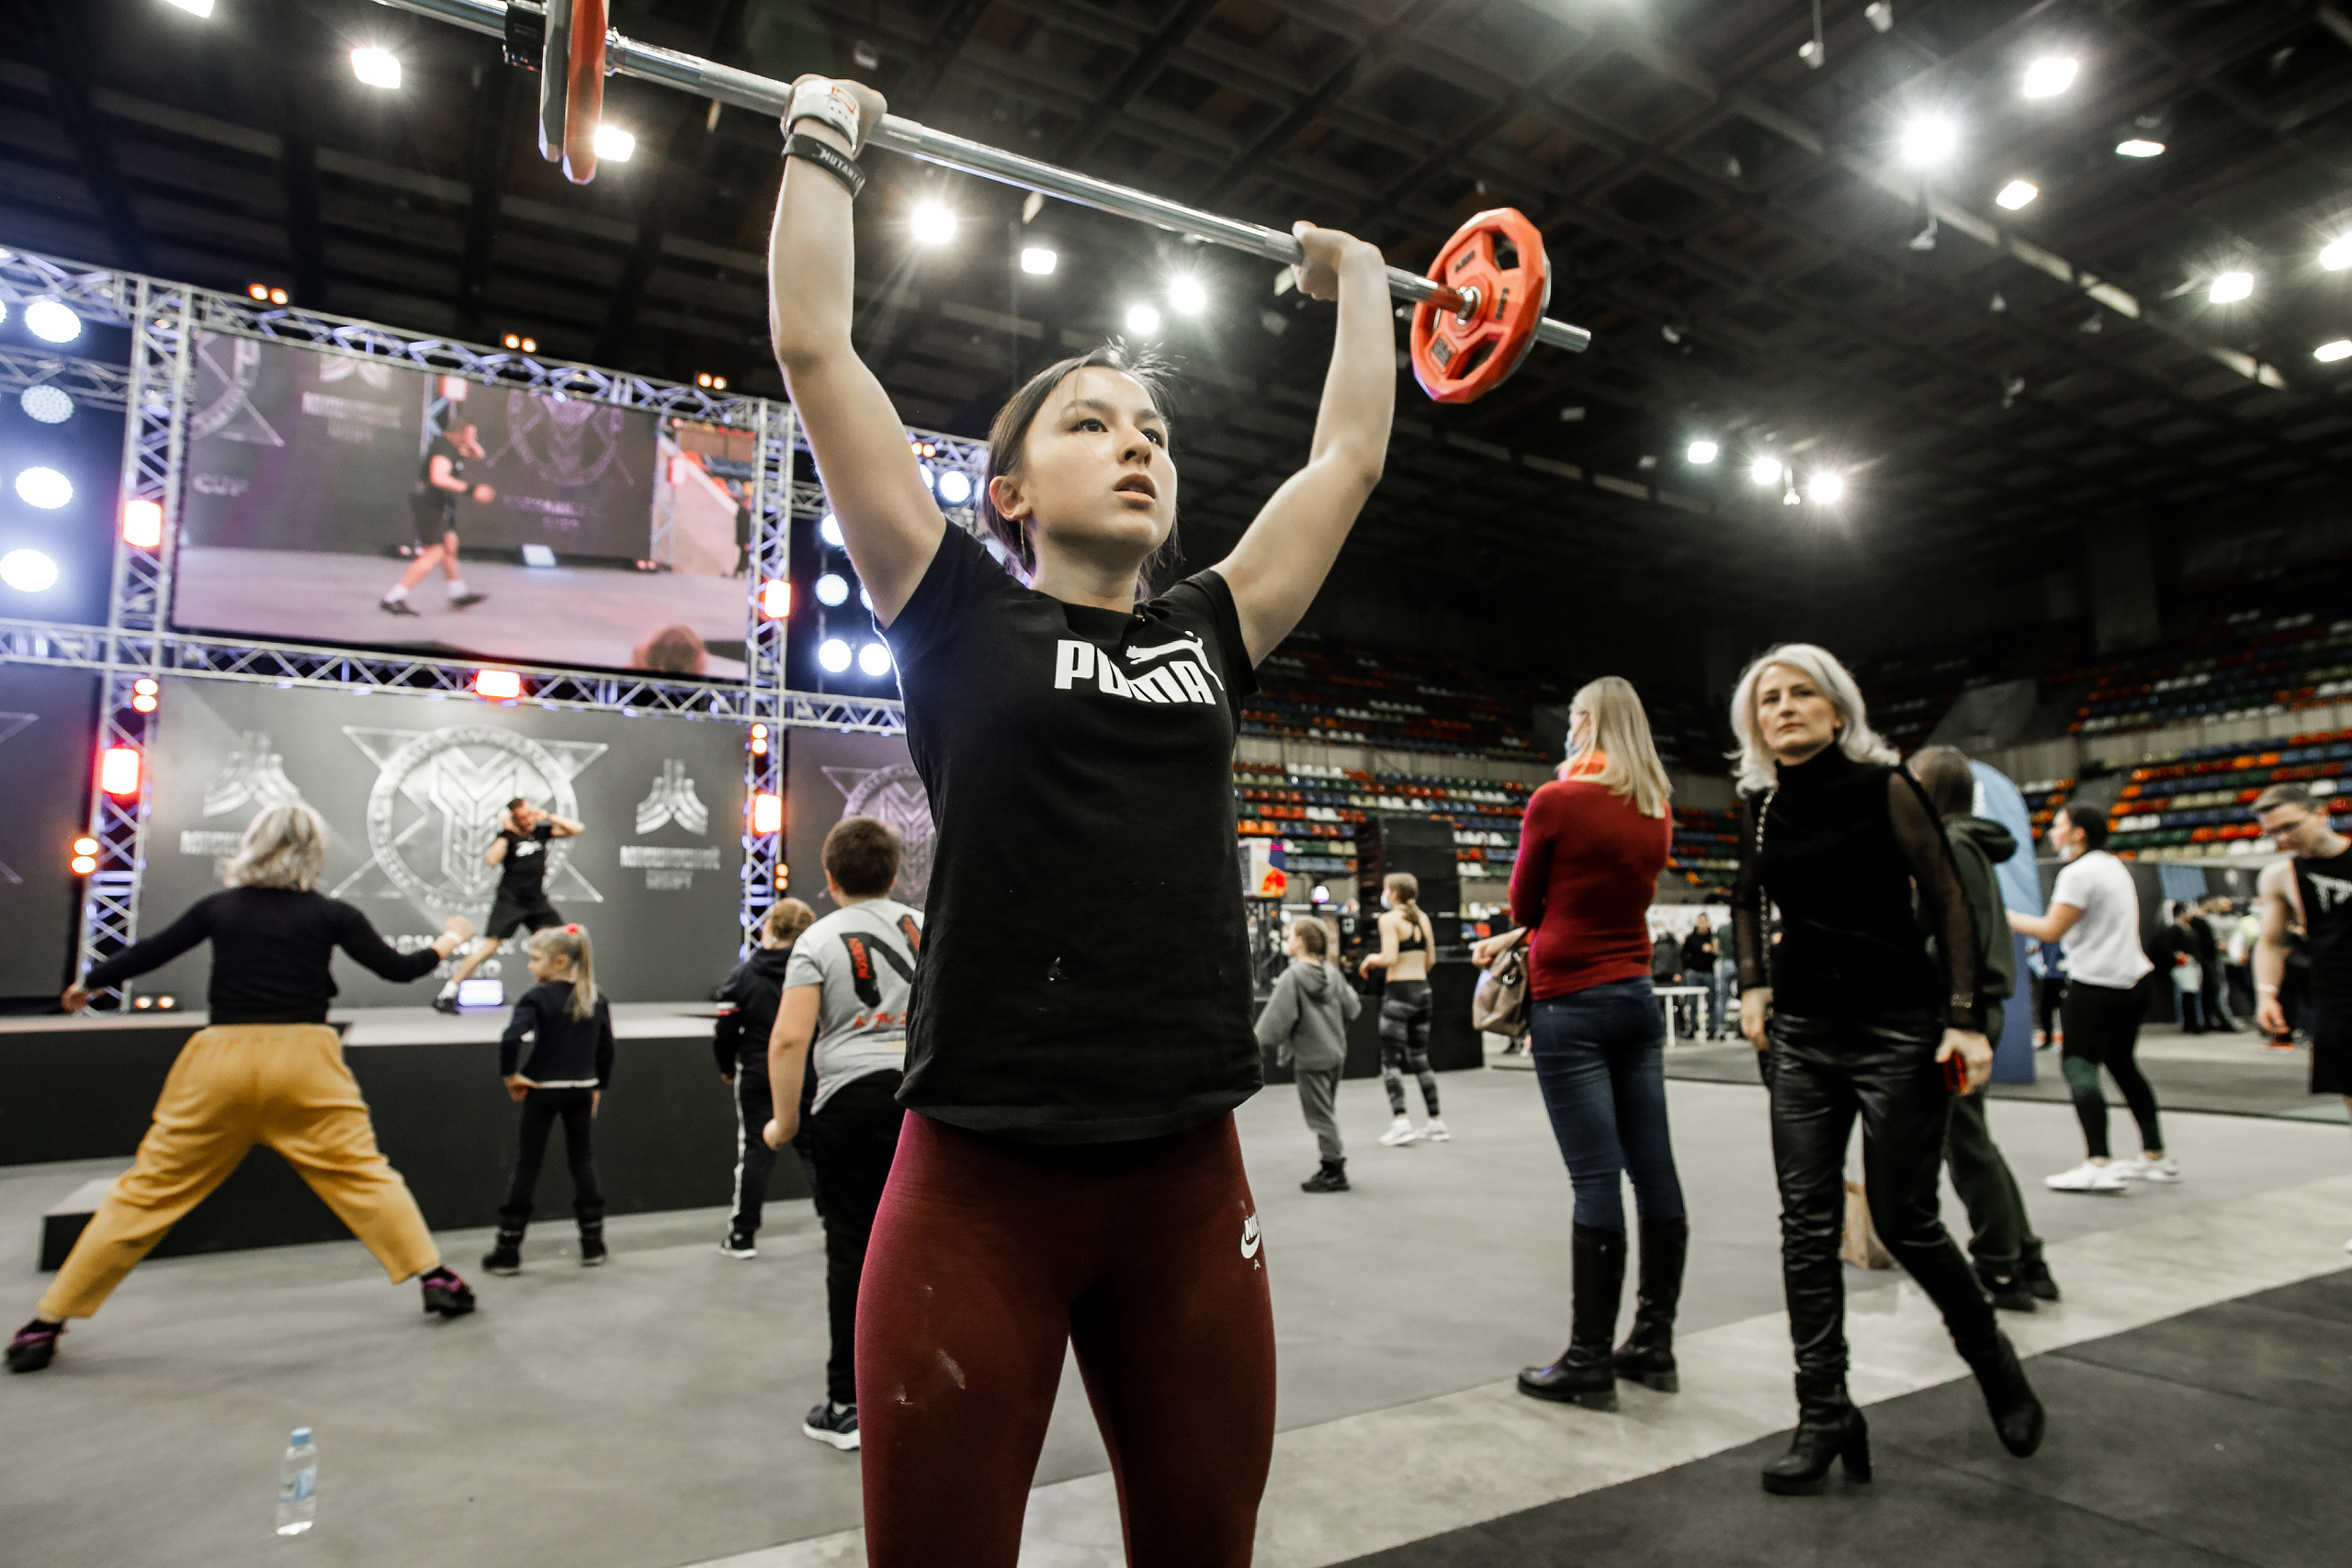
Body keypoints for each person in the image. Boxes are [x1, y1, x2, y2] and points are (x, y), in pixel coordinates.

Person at [765, 65, 1391, 1562]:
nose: (1137, 442)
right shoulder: (950, 607)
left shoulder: (1211, 626)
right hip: (980, 1183)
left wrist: (1364, 279)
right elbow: (814, 345)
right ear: (1008, 490)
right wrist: (822, 139)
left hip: (1187, 1176)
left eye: (1154, 431)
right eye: (1091, 422)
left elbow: (1349, 457)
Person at [7, 804, 479, 1374]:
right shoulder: (332, 914)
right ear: (315, 853)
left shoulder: (219, 908)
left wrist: (89, 984)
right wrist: (451, 939)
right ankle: (435, 1277)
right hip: (306, 1062)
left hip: (219, 1063)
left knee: (146, 1193)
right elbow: (400, 970)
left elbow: (149, 951)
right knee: (363, 1176)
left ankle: (47, 1322)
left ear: (253, 845)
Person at [1732, 645, 2041, 1494]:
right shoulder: (1759, 805)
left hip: (1896, 1028)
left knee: (1906, 1220)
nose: (1784, 707)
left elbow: (1947, 897)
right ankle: (1824, 1410)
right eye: (1769, 699)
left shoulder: (1885, 786)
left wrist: (1964, 1019)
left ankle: (1994, 1362)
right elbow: (1746, 898)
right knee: (1806, 1226)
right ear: (1755, 722)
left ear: (1838, 710)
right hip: (1800, 1034)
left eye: (1802, 693)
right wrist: (1753, 984)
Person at [1475, 678, 1684, 1413]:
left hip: (1570, 1001)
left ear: (1588, 721)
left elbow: (1525, 903)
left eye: (1572, 719)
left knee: (1595, 1177)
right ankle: (1653, 1342)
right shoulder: (1656, 806)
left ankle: (1589, 1358)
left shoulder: (1556, 800)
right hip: (1634, 994)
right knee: (1654, 1171)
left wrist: (1525, 924)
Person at [760, 816, 924, 1452]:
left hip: (852, 1107)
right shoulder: (926, 928)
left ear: (829, 878)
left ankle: (848, 1402)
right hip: (924, 1103)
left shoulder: (817, 939)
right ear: (894, 873)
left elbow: (789, 1038)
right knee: (934, 1250)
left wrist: (785, 1122)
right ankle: (931, 1387)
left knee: (853, 1252)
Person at [1908, 746, 2057, 1313]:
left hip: (1958, 1017)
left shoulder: (1951, 845)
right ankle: (2025, 1257)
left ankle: (1999, 1265)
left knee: (1965, 1144)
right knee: (1973, 1139)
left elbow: (1956, 939)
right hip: (1970, 1011)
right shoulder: (1968, 844)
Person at [2007, 807, 2170, 1191]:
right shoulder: (2114, 866)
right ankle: (2155, 1156)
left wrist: (2003, 915)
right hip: (2135, 981)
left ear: (2078, 833)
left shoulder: (2077, 873)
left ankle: (2098, 1162)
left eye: (2058, 826)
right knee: (2123, 1065)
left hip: (2096, 984)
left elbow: (2051, 930)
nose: (2052, 833)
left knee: (2079, 1067)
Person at [2251, 783, 2351, 1251]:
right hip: (2338, 998)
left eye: (2290, 826)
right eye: (2273, 832)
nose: (2282, 838)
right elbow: (2271, 942)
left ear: (2321, 814)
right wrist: (2266, 994)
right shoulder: (2281, 877)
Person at [481, 925, 615, 1274]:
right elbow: (607, 1048)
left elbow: (510, 1039)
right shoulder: (595, 996)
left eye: (535, 958)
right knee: (583, 1161)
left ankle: (507, 1251)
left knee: (528, 1164)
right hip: (581, 1089)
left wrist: (510, 1076)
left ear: (559, 962)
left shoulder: (536, 997)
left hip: (542, 1090)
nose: (529, 965)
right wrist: (598, 1087)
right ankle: (593, 1245)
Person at [711, 897, 818, 1258]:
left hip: (759, 1073)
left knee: (756, 1152)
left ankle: (742, 1236)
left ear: (769, 926)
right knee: (815, 1150)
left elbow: (725, 1032)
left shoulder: (743, 975)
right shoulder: (816, 973)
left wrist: (727, 1067)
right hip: (808, 1071)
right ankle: (835, 1226)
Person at [435, 798, 585, 1011]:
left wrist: (548, 816)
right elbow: (491, 859)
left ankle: (571, 996)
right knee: (488, 948)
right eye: (522, 818)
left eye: (529, 814)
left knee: (564, 941)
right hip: (510, 901)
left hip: (536, 901)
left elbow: (576, 829)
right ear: (514, 819)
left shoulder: (541, 832)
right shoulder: (508, 837)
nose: (528, 820)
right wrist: (507, 832)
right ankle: (447, 993)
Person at [1255, 917, 1360, 1193]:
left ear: (1301, 940)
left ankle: (1334, 1170)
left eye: (1291, 935)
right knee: (1327, 1112)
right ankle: (1330, 1165)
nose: (1288, 940)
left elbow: (1274, 1023)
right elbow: (1353, 1008)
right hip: (1335, 1053)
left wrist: (1252, 1049)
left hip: (1311, 1058)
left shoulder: (1293, 977)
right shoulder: (1332, 973)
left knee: (1321, 1117)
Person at [1360, 871, 1448, 1145]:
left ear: (1394, 893)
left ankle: (1401, 1121)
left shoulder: (1389, 920)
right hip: (1423, 990)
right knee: (1420, 1057)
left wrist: (1370, 960)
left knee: (1390, 1061)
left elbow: (1389, 957)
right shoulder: (1423, 918)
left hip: (1399, 993)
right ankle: (1435, 1121)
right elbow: (1430, 960)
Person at [381, 420, 492, 616]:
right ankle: (393, 598)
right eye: (470, 434)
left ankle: (457, 593)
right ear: (458, 433)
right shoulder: (444, 447)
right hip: (428, 504)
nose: (473, 439)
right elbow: (438, 477)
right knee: (435, 551)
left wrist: (470, 440)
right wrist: (473, 490)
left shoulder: (453, 447)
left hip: (437, 504)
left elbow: (479, 454)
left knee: (450, 545)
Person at [2162, 904, 2208, 1034]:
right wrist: (2179, 956)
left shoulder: (2191, 928)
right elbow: (2167, 948)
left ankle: (2194, 1021)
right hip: (2183, 966)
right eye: (2188, 912)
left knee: (2193, 993)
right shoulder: (2174, 929)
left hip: (2194, 963)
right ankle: (2190, 1023)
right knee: (2188, 993)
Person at [2194, 898, 2236, 1032]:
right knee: (2218, 990)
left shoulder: (2210, 920)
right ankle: (2222, 1020)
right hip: (2210, 960)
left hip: (2219, 958)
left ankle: (2215, 1019)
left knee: (2217, 990)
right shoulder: (2203, 920)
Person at [1679, 915, 1716, 1039]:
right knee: (1692, 1002)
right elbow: (1683, 955)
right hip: (1694, 973)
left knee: (1711, 1001)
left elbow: (1717, 955)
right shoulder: (1691, 938)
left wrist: (1712, 950)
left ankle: (1712, 1029)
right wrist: (1688, 968)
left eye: (1704, 921)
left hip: (1708, 972)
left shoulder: (1712, 938)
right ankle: (1692, 1028)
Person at [2030, 939, 2066, 1050]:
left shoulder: (2060, 939)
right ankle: (2048, 1039)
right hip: (2049, 976)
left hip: (2061, 977)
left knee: (2064, 1009)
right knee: (2045, 1009)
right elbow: (2038, 948)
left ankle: (2068, 1040)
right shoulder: (2045, 940)